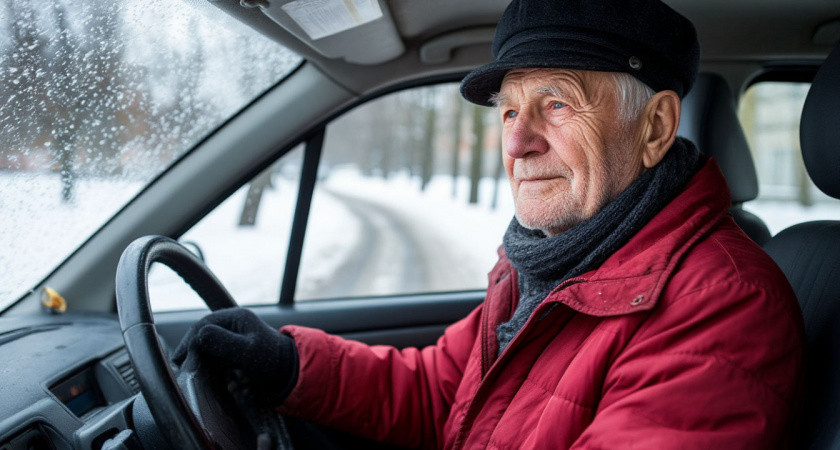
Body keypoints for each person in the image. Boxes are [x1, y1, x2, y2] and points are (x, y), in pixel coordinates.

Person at [174, 0, 804, 447]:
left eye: (556, 103)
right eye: (508, 112)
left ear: (656, 128)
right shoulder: (550, 260)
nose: (519, 142)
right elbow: (444, 393)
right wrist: (287, 363)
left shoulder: (722, 306)